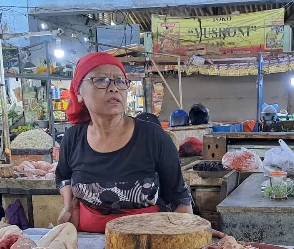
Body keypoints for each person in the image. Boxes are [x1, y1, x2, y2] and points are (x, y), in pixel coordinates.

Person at [55, 52, 192, 233]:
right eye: (101, 80)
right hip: (88, 242)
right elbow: (63, 177)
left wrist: (189, 236)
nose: (114, 88)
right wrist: (67, 205)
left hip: (148, 241)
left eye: (120, 81)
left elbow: (178, 197)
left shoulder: (154, 137)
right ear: (79, 92)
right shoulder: (73, 138)